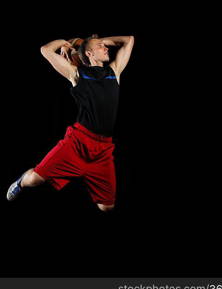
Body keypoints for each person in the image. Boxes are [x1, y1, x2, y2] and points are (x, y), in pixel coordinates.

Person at [6, 34, 135, 212]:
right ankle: (20, 182)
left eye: (104, 45)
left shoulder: (114, 72)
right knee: (34, 179)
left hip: (103, 150)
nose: (106, 48)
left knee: (107, 207)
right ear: (89, 53)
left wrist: (98, 41)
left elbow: (129, 40)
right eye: (101, 46)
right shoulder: (77, 74)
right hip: (77, 143)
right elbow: (46, 50)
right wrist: (65, 43)